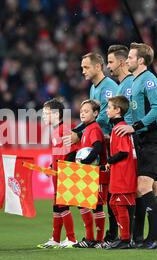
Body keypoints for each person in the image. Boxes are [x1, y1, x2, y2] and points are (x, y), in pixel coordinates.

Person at [114, 42, 157, 249]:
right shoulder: (135, 81)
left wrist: (134, 126)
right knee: (147, 189)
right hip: (142, 138)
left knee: (142, 186)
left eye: (130, 57)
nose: (127, 60)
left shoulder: (149, 80)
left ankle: (156, 237)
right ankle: (142, 237)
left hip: (154, 137)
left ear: (141, 61)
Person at [37, 98, 78, 248]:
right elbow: (61, 152)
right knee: (56, 206)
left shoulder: (64, 129)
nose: (43, 116)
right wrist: (51, 165)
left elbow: (73, 151)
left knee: (63, 206)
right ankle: (55, 238)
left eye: (45, 113)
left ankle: (72, 239)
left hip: (64, 173)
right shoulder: (56, 130)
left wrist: (65, 170)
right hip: (57, 172)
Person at [72, 99, 108, 248]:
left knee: (97, 206)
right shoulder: (86, 129)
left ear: (95, 113)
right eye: (81, 111)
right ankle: (90, 238)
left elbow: (98, 147)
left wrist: (86, 161)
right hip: (88, 173)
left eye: (86, 111)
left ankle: (97, 239)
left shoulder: (94, 129)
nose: (82, 114)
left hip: (96, 173)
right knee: (82, 204)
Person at [105, 96, 137, 249]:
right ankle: (122, 236)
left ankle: (125, 239)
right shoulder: (117, 127)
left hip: (124, 174)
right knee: (112, 203)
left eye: (109, 107)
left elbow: (124, 152)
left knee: (120, 205)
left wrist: (109, 160)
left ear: (118, 110)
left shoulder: (120, 128)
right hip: (118, 174)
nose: (107, 110)